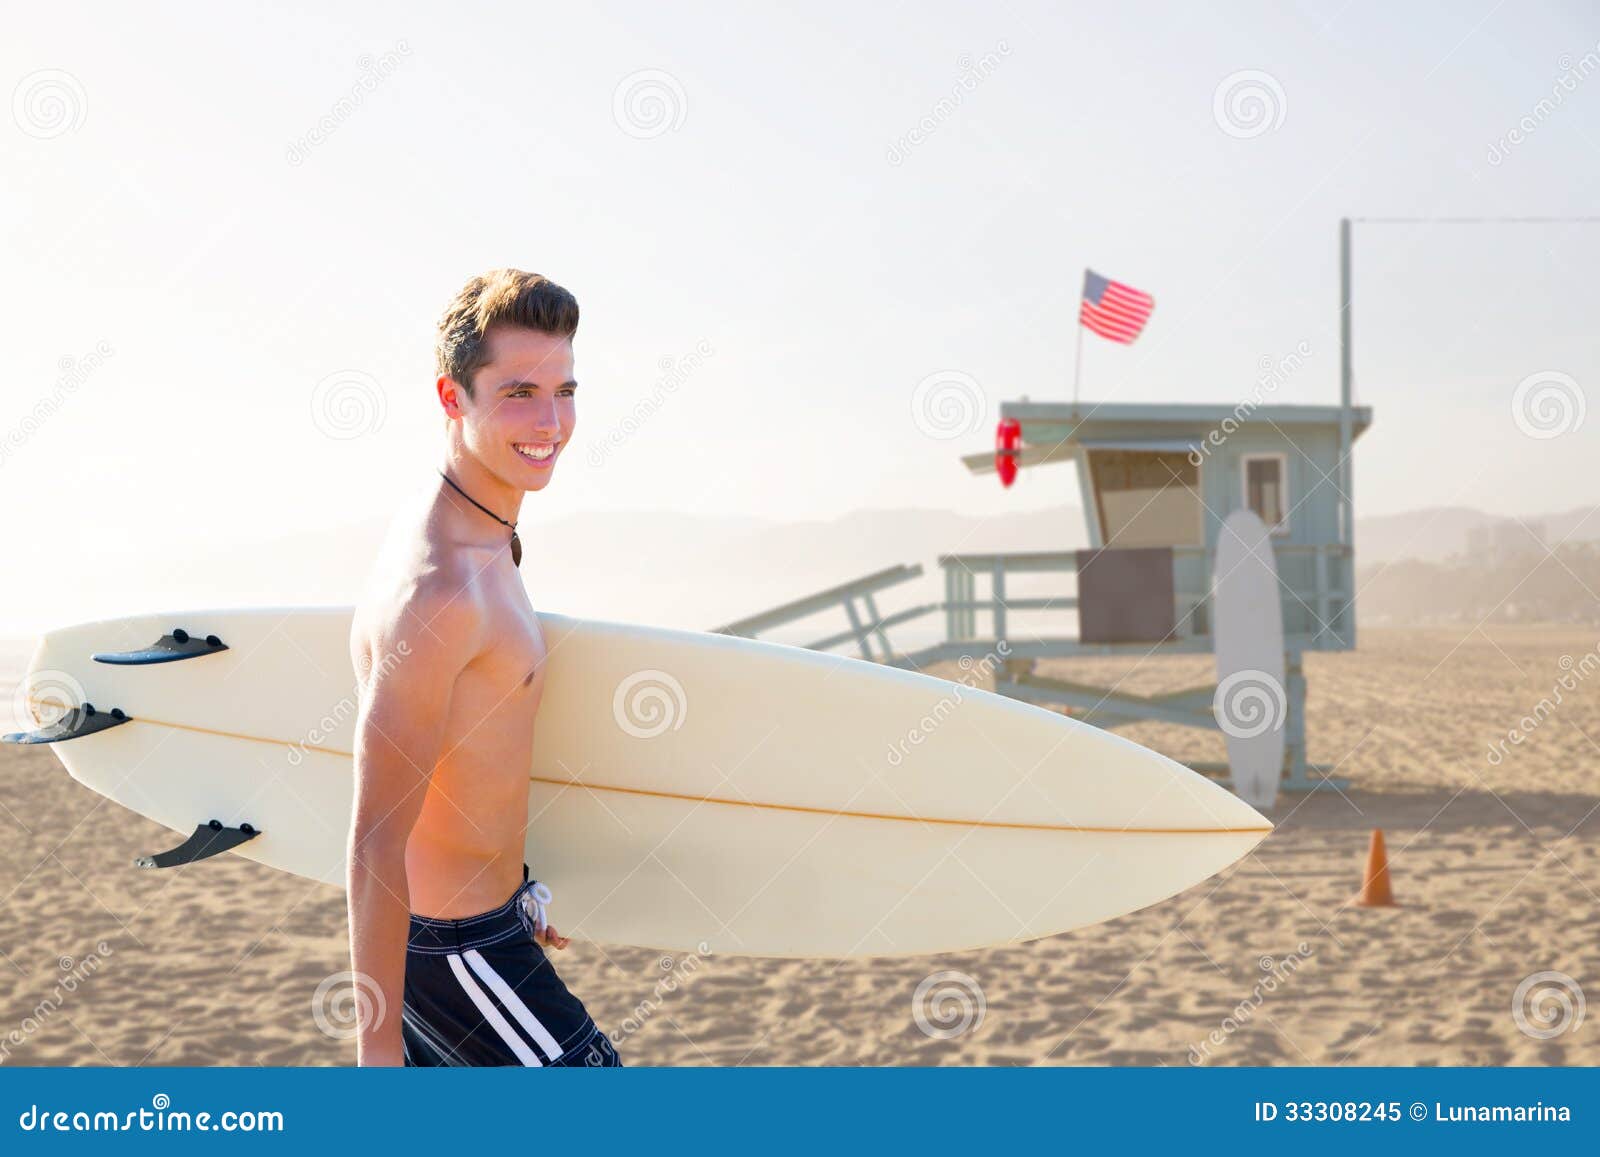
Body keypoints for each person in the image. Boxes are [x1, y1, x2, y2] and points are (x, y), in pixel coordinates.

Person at [345, 269, 619, 1067]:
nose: (551, 421)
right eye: (519, 392)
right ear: (451, 396)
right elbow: (372, 841)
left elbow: (470, 745)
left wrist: (516, 880)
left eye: (564, 390)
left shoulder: (486, 528)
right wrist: (377, 1055)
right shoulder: (438, 591)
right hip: (453, 954)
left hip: (487, 926)